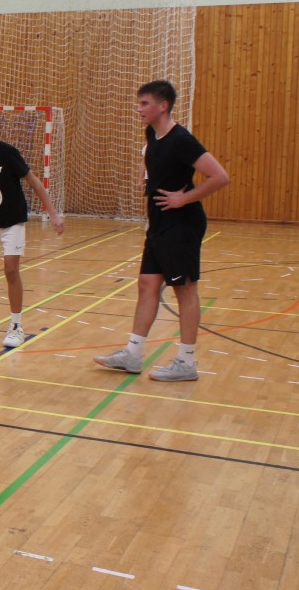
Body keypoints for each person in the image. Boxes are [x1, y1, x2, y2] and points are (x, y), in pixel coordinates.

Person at [96, 80, 228, 381]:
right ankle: (133, 353)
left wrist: (184, 198)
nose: (138, 108)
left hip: (181, 224)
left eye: (144, 103)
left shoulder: (181, 140)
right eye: (139, 103)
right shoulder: (151, 135)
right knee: (147, 284)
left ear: (162, 106)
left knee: (185, 289)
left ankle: (187, 362)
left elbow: (220, 176)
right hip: (158, 224)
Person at [0, 110, 66, 348]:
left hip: (12, 220)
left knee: (10, 270)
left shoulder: (7, 153)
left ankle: (16, 326)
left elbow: (34, 182)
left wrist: (53, 213)